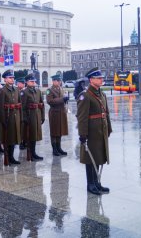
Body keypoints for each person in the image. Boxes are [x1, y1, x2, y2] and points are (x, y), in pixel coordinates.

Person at [77, 67, 112, 195]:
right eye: (99, 78)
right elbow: (82, 117)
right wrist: (83, 134)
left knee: (98, 157)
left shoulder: (101, 94)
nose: (101, 79)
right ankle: (90, 184)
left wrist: (108, 127)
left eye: (101, 77)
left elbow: (106, 113)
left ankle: (97, 183)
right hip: (91, 132)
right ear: (91, 80)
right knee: (90, 158)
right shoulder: (85, 96)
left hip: (100, 131)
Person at [0, 69, 22, 165]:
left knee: (13, 138)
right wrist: (3, 120)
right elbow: (0, 107)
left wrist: (20, 117)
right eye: (10, 78)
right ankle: (7, 158)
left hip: (15, 117)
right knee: (7, 139)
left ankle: (12, 157)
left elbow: (19, 104)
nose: (12, 79)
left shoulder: (16, 89)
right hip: (7, 118)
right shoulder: (2, 91)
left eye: (13, 78)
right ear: (5, 80)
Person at [21, 73, 45, 161]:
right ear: (27, 82)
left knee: (35, 136)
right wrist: (25, 118)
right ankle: (30, 153)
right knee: (30, 136)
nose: (33, 82)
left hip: (37, 116)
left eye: (34, 81)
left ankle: (34, 153)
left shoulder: (38, 91)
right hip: (29, 116)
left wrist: (42, 116)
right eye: (31, 81)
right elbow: (22, 107)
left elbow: (41, 104)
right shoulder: (24, 92)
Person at [46, 74, 69, 156]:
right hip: (54, 113)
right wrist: (62, 99)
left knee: (60, 131)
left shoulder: (61, 88)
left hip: (61, 112)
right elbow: (50, 101)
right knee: (54, 131)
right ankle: (54, 149)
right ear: (53, 81)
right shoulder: (50, 90)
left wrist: (66, 99)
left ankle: (59, 148)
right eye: (58, 81)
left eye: (60, 81)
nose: (60, 82)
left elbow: (63, 99)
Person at [16, 77, 26, 150]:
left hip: (24, 113)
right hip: (19, 112)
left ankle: (24, 142)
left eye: (23, 83)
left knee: (24, 129)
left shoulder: (23, 91)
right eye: (22, 83)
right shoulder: (18, 91)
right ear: (18, 84)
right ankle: (21, 143)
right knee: (21, 129)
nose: (23, 84)